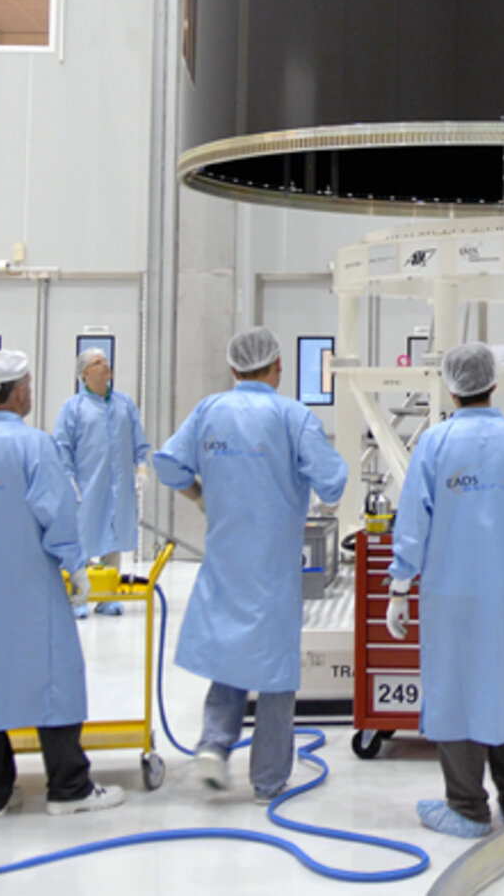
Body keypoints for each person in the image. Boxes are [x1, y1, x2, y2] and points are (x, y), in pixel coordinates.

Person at [152, 326, 348, 802]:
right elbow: (334, 482)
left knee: (229, 652)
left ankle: (213, 746)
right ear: (278, 366)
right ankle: (267, 780)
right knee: (276, 672)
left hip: (224, 557)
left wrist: (201, 495)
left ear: (234, 367)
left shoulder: (209, 411)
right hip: (274, 564)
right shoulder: (292, 416)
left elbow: (168, 466)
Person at [0, 349, 125, 817]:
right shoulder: (32, 445)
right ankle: (68, 787)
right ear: (21, 390)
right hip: (30, 588)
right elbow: (57, 513)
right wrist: (76, 566)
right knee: (54, 678)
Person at [386, 342, 504, 839]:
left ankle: (466, 808)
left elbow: (413, 523)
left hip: (451, 595)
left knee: (457, 689)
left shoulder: (435, 444)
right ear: (495, 383)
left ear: (450, 386)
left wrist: (400, 586)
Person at [53, 347, 149, 616]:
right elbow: (62, 447)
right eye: (98, 362)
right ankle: (79, 596)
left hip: (119, 487)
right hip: (87, 486)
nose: (106, 365)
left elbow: (139, 441)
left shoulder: (124, 404)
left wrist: (141, 467)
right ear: (84, 374)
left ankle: (108, 597)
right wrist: (67, 479)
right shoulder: (73, 408)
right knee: (83, 538)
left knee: (114, 540)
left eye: (106, 361)